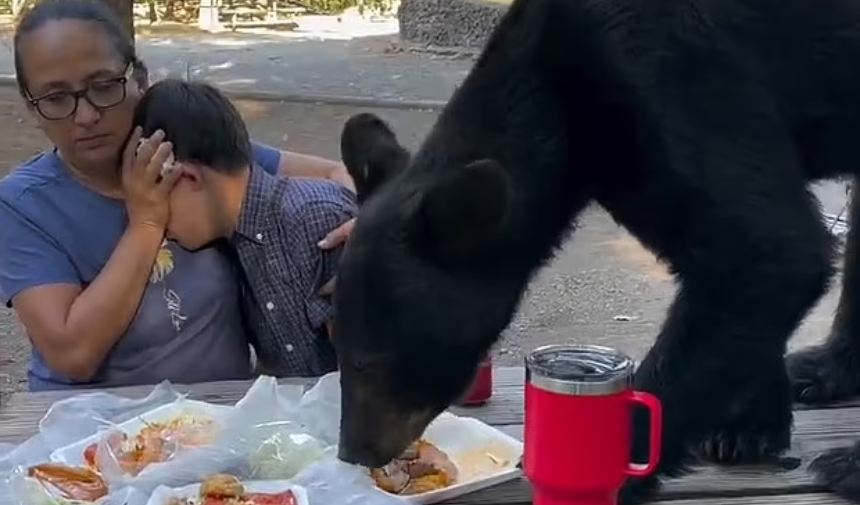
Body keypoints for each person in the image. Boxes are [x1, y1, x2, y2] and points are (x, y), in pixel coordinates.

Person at [0, 0, 354, 391]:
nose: (85, 116)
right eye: (55, 99)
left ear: (139, 79)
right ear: (32, 107)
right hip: (89, 430)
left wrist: (371, 223)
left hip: (221, 419)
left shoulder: (184, 148)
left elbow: (336, 173)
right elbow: (73, 355)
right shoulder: (22, 205)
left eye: (103, 87)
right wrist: (147, 224)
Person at [134, 79, 356, 376]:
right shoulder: (233, 240)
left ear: (186, 177)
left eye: (156, 197)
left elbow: (361, 379)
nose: (158, 224)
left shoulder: (314, 219)